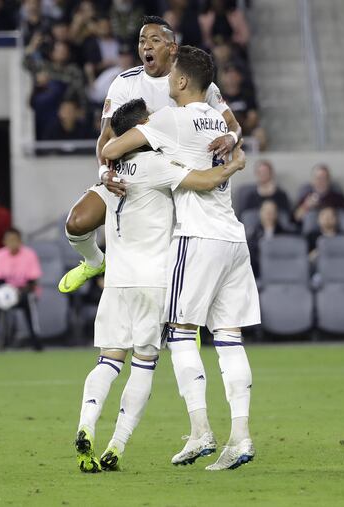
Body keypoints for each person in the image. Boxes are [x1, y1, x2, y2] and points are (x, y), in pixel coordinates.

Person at [102, 46, 259, 471]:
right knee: (229, 339)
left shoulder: (170, 120)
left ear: (183, 80)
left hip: (197, 236)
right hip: (233, 238)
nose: (167, 80)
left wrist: (109, 171)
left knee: (181, 332)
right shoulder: (217, 119)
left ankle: (201, 431)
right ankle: (241, 437)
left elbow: (114, 147)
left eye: (171, 74)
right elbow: (236, 138)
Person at [74, 98, 247, 473]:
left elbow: (76, 221)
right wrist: (234, 163)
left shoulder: (112, 173)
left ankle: (85, 426)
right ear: (142, 129)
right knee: (143, 366)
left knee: (106, 362)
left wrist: (91, 258)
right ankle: (116, 446)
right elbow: (204, 181)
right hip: (154, 283)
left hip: (115, 282)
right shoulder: (159, 166)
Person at [59, 16, 242, 295]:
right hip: (129, 173)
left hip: (170, 178)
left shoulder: (192, 82)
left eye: (155, 40)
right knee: (77, 222)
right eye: (142, 40)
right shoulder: (124, 82)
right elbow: (105, 138)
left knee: (172, 264)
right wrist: (104, 173)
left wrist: (230, 138)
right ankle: (95, 262)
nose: (147, 46)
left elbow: (233, 125)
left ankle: (182, 326)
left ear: (172, 48)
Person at [0, 228, 43, 351]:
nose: (12, 243)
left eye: (15, 240)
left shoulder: (29, 254)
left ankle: (35, 339)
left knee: (30, 300)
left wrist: (19, 291)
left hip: (23, 292)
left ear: (20, 241)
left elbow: (33, 280)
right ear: (4, 241)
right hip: (5, 291)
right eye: (9, 240)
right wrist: (4, 291)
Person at [246, 200, 288, 279]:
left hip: (279, 271)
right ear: (260, 213)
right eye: (266, 211)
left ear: (276, 214)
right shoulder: (252, 235)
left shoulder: (284, 234)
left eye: (272, 211)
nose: (268, 214)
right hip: (258, 273)